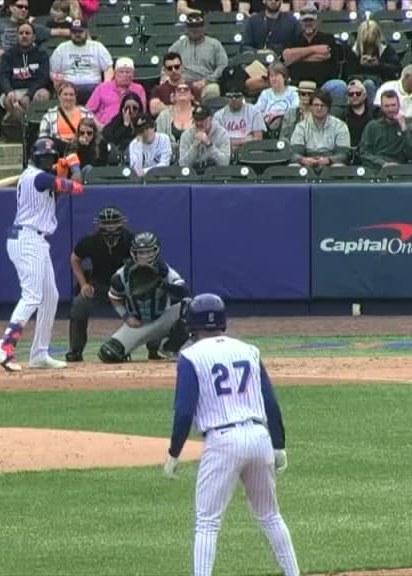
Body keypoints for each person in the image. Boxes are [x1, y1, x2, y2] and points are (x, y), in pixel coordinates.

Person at [163, 293, 300, 576]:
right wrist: (279, 445)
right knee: (270, 515)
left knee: (207, 522)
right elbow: (271, 403)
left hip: (222, 442)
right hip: (259, 436)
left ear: (192, 324)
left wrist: (174, 453)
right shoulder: (248, 349)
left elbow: (184, 411)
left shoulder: (190, 356)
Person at [0, 138, 84, 372]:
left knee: (50, 296)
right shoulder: (38, 177)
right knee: (32, 296)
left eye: (51, 158)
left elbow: (54, 197)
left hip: (35, 239)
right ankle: (4, 345)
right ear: (36, 158)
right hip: (27, 238)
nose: (49, 162)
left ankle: (39, 353)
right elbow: (78, 187)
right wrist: (74, 166)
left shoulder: (36, 178)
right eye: (46, 158)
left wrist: (60, 175)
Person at [99, 232, 190, 363]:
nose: (144, 256)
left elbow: (183, 291)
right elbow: (114, 296)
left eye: (148, 252)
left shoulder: (164, 271)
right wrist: (127, 317)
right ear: (133, 253)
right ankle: (151, 344)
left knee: (190, 306)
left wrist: (163, 285)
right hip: (139, 323)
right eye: (140, 253)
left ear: (155, 251)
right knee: (109, 353)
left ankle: (169, 347)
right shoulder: (121, 276)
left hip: (162, 318)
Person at [66, 206, 136, 362]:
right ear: (98, 225)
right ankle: (75, 350)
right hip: (99, 284)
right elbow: (75, 259)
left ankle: (128, 347)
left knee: (140, 308)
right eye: (106, 224)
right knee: (79, 306)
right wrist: (84, 284)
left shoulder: (130, 239)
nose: (110, 227)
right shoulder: (91, 240)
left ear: (122, 224)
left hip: (124, 286)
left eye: (114, 223)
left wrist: (133, 285)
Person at [359, 90, 412, 169]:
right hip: (377, 169)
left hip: (401, 169)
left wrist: (404, 129)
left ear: (399, 105)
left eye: (393, 105)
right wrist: (382, 163)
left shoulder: (409, 127)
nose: (390, 109)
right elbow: (364, 153)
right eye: (386, 106)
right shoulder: (372, 126)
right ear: (381, 107)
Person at [179, 105, 232, 171]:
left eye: (202, 120)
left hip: (215, 173)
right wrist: (194, 146)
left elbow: (224, 163)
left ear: (211, 119)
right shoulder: (186, 135)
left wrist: (209, 145)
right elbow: (182, 164)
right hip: (193, 174)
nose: (199, 123)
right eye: (196, 120)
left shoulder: (222, 134)